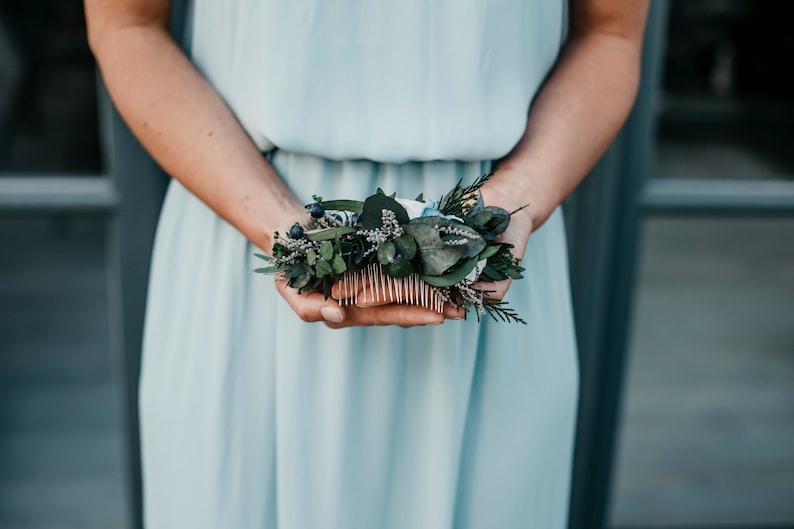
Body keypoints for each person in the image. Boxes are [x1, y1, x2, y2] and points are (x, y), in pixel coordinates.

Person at [85, 0, 649, 527]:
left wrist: (517, 199)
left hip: (490, 246)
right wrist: (283, 228)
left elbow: (611, 31)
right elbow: (127, 25)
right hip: (240, 229)